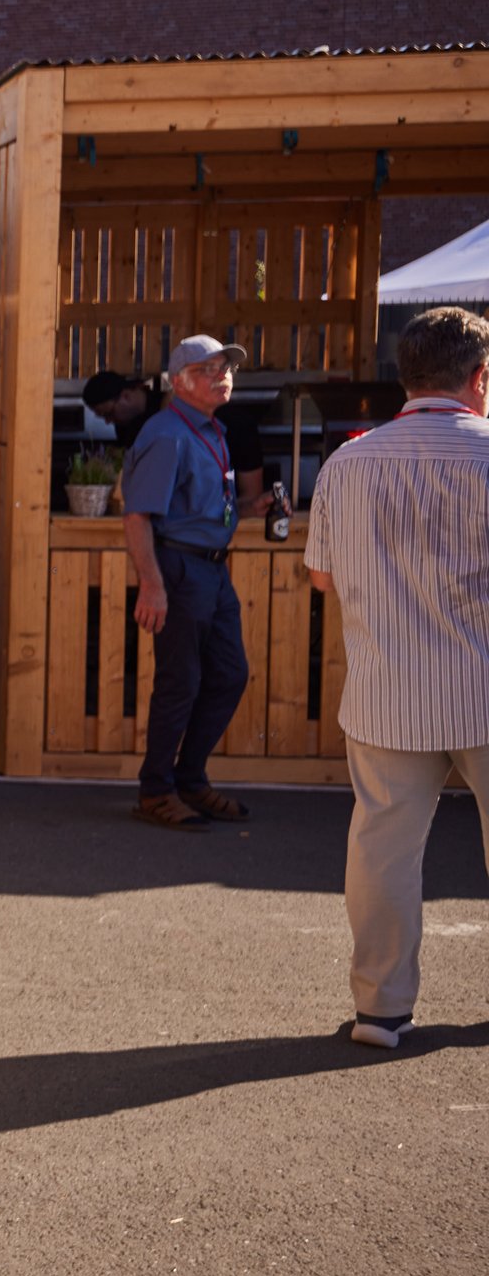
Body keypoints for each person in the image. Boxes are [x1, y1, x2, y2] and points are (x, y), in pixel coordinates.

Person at [302, 306, 489, 1050]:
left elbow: (321, 577)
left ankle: (380, 1009)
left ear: (405, 376)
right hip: (483, 681)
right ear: (480, 377)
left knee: (382, 851)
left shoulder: (349, 461)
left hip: (386, 686)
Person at [120, 334, 274, 831]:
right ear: (178, 382)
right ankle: (156, 789)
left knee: (229, 675)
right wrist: (152, 585)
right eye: (208, 369)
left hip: (211, 568)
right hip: (180, 570)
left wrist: (255, 508)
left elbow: (207, 508)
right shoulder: (167, 434)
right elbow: (138, 516)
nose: (222, 376)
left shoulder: (212, 430)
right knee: (179, 683)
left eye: (226, 368)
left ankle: (189, 779)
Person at [84, 367, 267, 504]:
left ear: (126, 396)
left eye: (108, 413)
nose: (109, 422)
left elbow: (251, 495)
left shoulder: (236, 424)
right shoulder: (128, 428)